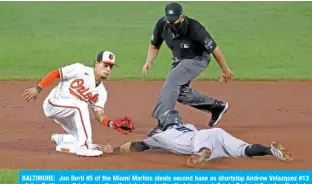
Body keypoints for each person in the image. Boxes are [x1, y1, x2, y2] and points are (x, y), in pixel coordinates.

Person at [141, 2, 233, 137]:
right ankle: (216, 106)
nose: (171, 23)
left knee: (172, 82)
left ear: (182, 17)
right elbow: (154, 45)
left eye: (174, 21)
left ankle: (163, 123)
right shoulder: (162, 24)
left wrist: (225, 69)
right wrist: (149, 61)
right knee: (179, 92)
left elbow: (215, 49)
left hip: (197, 59)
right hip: (179, 60)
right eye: (169, 21)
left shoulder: (194, 28)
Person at [23, 50, 135, 157]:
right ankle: (84, 148)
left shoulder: (102, 92)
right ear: (96, 63)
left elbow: (98, 114)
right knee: (81, 105)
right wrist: (38, 88)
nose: (108, 69)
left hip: (70, 113)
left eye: (111, 67)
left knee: (79, 137)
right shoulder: (79, 70)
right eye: (105, 65)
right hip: (53, 104)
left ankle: (61, 139)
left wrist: (111, 123)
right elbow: (56, 73)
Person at [102, 110, 293, 167]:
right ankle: (269, 150)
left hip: (202, 141)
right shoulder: (188, 126)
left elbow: (137, 145)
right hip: (214, 134)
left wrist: (115, 150)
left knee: (200, 147)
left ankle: (203, 154)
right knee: (243, 149)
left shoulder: (160, 136)